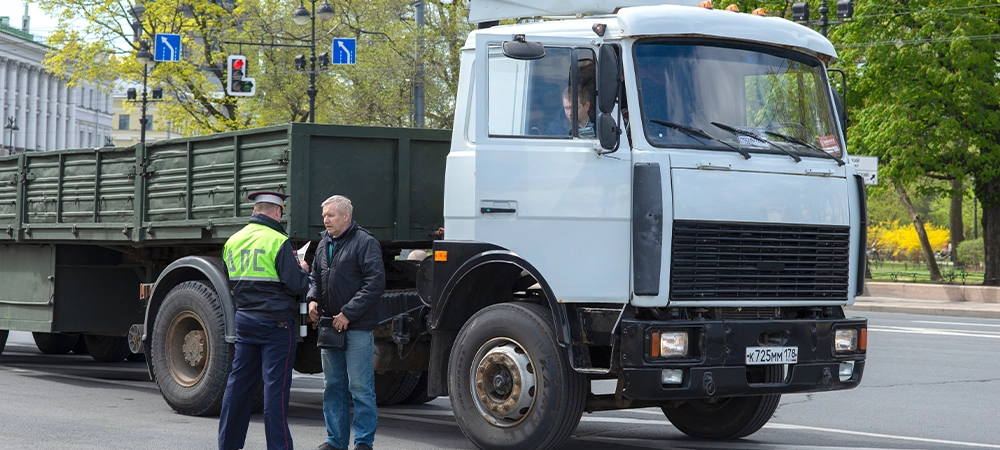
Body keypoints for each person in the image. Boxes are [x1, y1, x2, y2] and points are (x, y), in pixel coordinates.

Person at [219, 190, 311, 450]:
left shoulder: (233, 241)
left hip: (245, 321)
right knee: (275, 394)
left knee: (238, 388)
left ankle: (228, 445)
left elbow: (231, 280)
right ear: (277, 212)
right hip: (276, 326)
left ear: (256, 210)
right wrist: (302, 270)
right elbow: (295, 285)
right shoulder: (278, 240)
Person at [307, 195, 386, 450]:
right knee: (333, 386)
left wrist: (348, 314)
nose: (325, 220)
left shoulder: (365, 243)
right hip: (331, 327)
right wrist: (312, 300)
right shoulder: (323, 244)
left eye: (330, 215)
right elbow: (315, 277)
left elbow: (374, 283)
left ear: (346, 217)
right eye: (324, 216)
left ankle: (363, 443)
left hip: (357, 327)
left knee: (360, 387)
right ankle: (335, 442)